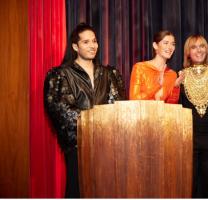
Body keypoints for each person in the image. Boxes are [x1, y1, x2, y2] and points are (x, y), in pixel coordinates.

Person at [44, 23, 126, 198]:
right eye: (86, 42)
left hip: (108, 143)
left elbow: (118, 106)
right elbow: (61, 111)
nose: (92, 45)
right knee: (78, 190)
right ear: (75, 46)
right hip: (77, 144)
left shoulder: (109, 73)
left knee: (107, 190)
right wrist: (96, 122)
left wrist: (105, 127)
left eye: (94, 41)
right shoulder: (60, 75)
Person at [179, 35, 208, 198]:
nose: (198, 50)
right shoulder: (181, 75)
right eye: (194, 47)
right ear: (187, 53)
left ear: (207, 49)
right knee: (188, 183)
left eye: (202, 46)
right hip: (189, 136)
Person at [129, 30, 184, 102]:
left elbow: (171, 106)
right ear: (155, 45)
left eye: (173, 44)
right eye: (166, 43)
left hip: (163, 113)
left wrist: (176, 86)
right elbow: (134, 99)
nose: (170, 47)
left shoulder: (172, 74)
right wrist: (157, 85)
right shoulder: (140, 68)